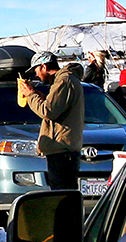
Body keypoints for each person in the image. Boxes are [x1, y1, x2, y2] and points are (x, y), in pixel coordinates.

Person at [18, 51, 84, 191]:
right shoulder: (65, 80)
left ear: (44, 67)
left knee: (63, 195)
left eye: (36, 70)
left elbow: (48, 112)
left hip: (62, 150)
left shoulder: (63, 81)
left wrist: (31, 95)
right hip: (63, 149)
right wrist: (40, 97)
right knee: (64, 193)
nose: (36, 75)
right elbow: (57, 109)